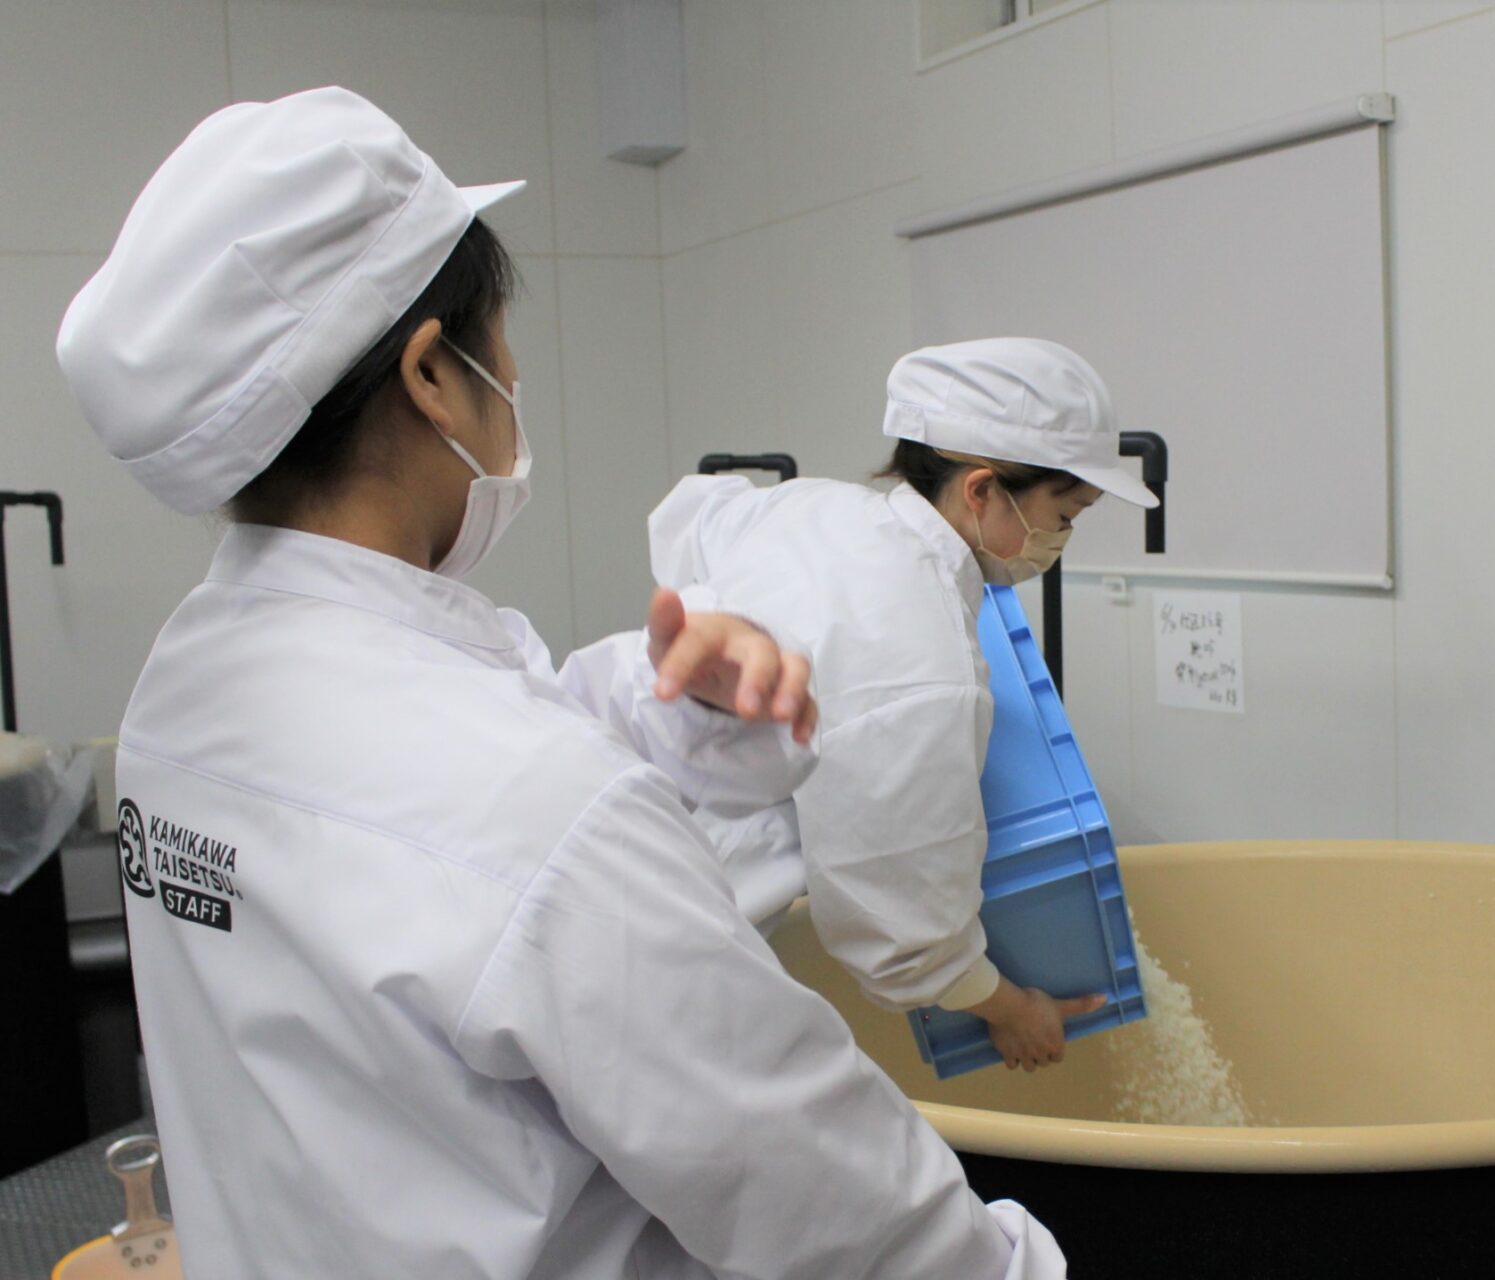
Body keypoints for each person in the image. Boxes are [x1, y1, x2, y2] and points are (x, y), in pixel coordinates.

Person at [56, 87, 1065, 1278]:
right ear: (433, 374)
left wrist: (678, 708)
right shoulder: (542, 819)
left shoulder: (185, 684)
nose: (514, 371)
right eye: (498, 339)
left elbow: (440, 819)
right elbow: (849, 1215)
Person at [649, 337, 1160, 1073]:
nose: (1064, 538)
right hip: (677, 933)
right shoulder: (928, 670)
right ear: (981, 491)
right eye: (1066, 513)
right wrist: (1015, 1011)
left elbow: (691, 518)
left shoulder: (814, 506)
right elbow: (902, 931)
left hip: (641, 831)